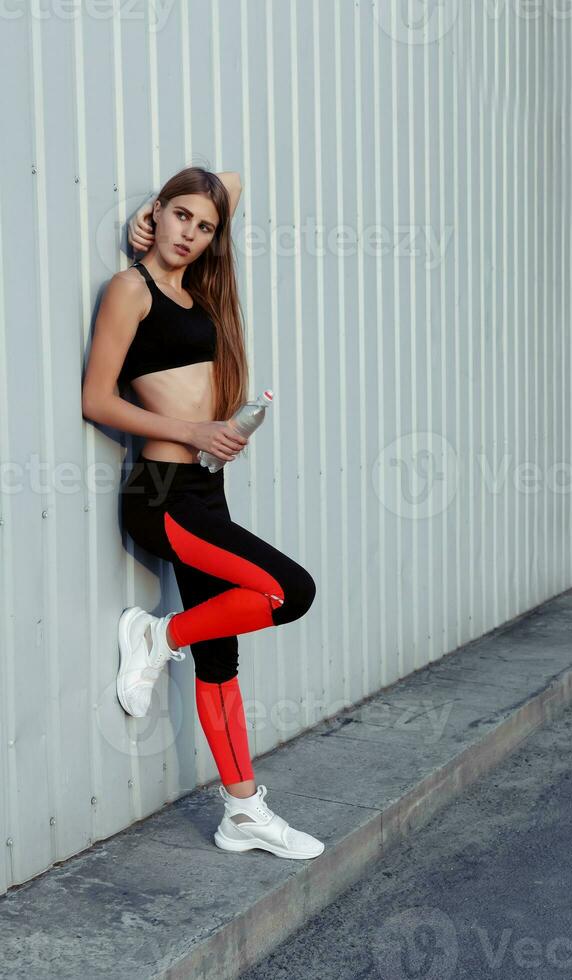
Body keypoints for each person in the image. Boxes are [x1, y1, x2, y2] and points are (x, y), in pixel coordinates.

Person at [81, 166, 323, 860]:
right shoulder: (132, 289)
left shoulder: (198, 291)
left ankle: (242, 811)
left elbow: (234, 183)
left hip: (204, 490)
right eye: (180, 216)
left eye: (206, 226)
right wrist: (192, 431)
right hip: (161, 493)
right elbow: (97, 399)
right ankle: (161, 638)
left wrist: (173, 214)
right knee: (289, 591)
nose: (191, 232)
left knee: (222, 658)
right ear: (158, 212)